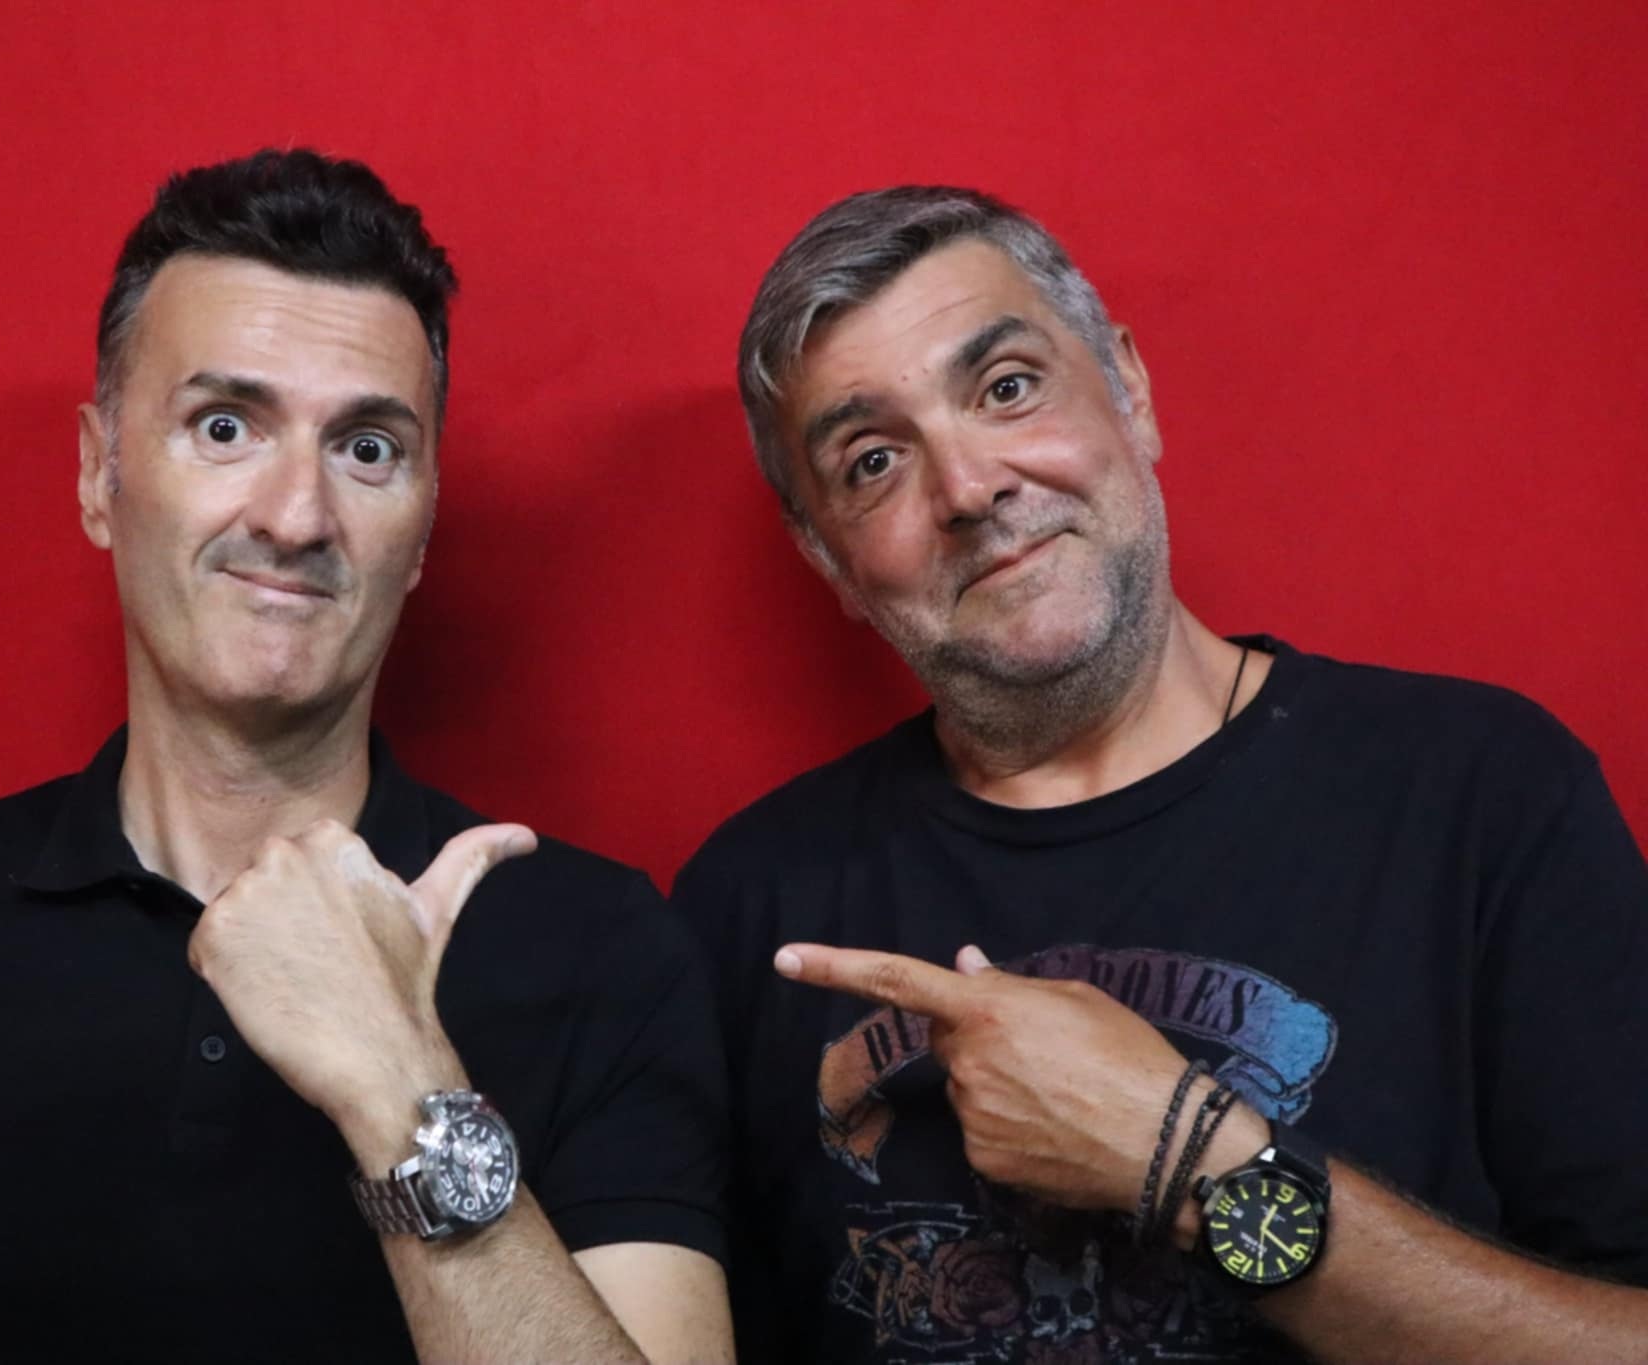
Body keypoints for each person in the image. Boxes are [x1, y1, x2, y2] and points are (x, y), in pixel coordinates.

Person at [0, 149, 732, 1364]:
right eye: (224, 427)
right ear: (99, 475)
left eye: (367, 449)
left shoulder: (606, 952)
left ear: (420, 529)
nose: (295, 516)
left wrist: (399, 1084)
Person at [675, 184, 1648, 1362]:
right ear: (826, 556)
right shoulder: (747, 907)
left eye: (1005, 388)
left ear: (1128, 390)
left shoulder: (1481, 799)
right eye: (872, 459)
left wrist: (1185, 1161)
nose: (968, 488)